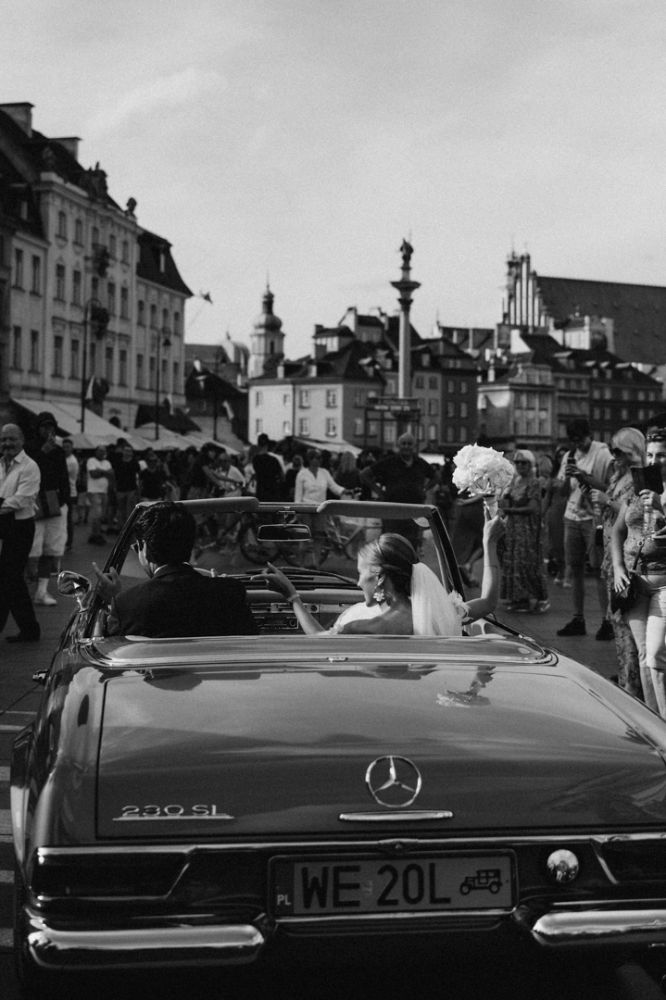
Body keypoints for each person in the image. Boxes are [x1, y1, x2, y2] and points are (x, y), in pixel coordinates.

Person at [262, 510, 504, 636]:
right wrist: (488, 543)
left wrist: (293, 597)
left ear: (379, 577)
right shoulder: (439, 612)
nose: (357, 582)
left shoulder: (361, 628)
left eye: (360, 574)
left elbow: (317, 640)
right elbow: (490, 601)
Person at [93, 501, 258, 638]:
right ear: (190, 544)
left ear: (146, 550)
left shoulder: (126, 605)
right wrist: (217, 585)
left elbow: (110, 651)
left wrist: (111, 601)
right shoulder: (229, 591)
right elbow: (251, 643)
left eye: (137, 547)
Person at [611, 429, 666, 717]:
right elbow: (617, 532)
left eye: (662, 455)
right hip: (634, 582)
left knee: (656, 654)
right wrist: (619, 567)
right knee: (645, 656)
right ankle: (652, 721)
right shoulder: (636, 487)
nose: (655, 460)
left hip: (662, 586)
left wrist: (661, 509)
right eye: (651, 455)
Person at [591, 427, 645, 697]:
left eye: (618, 451)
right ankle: (627, 677)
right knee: (618, 622)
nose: (614, 456)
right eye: (612, 451)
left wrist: (606, 500)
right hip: (612, 553)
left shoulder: (638, 477)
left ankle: (633, 685)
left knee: (626, 622)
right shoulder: (618, 475)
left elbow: (631, 514)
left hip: (626, 556)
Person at [556, 418, 613, 638]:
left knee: (600, 570)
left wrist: (583, 476)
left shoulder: (602, 453)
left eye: (580, 440)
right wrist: (567, 478)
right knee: (576, 568)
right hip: (572, 517)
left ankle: (607, 621)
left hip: (594, 517)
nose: (577, 445)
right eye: (573, 441)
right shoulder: (569, 456)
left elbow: (610, 486)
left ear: (589, 434)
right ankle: (578, 619)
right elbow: (562, 492)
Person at [0, 423, 42, 642]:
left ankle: (30, 629)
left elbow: (22, 499)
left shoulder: (29, 466)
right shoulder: (0, 464)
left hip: (20, 528)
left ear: (22, 440)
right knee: (8, 578)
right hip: (3, 525)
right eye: (3, 439)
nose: (7, 444)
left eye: (11, 439)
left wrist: (2, 503)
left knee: (11, 577)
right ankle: (29, 629)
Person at [360, 434, 436, 548]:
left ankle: (410, 565)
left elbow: (436, 477)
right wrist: (379, 491)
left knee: (411, 543)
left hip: (414, 510)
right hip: (392, 509)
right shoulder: (389, 462)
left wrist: (425, 489)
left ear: (414, 446)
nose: (406, 446)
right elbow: (364, 474)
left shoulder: (420, 463)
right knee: (391, 542)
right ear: (398, 445)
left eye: (409, 444)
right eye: (403, 443)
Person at [27, 411, 70, 606]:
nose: (48, 431)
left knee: (50, 548)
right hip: (34, 499)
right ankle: (26, 585)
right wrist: (42, 452)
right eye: (44, 426)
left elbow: (63, 476)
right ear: (37, 428)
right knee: (31, 547)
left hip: (53, 499)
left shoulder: (59, 451)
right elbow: (29, 471)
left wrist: (65, 500)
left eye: (51, 427)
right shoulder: (29, 448)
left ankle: (42, 590)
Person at [499, 450, 549, 613]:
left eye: (523, 463)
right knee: (514, 560)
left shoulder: (533, 482)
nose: (520, 465)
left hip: (527, 527)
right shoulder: (515, 481)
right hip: (514, 527)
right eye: (517, 462)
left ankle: (529, 598)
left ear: (530, 464)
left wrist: (510, 510)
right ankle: (517, 598)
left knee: (525, 560)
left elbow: (533, 508)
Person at [295, 449, 349, 568]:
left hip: (320, 508)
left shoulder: (324, 472)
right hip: (305, 508)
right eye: (317, 458)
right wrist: (297, 510)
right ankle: (301, 564)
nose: (319, 460)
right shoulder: (302, 474)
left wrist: (345, 491)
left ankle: (316, 563)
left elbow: (333, 486)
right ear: (310, 459)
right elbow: (298, 495)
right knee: (304, 538)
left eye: (320, 458)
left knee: (319, 536)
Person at [86, 444, 113, 545]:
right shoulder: (91, 461)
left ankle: (95, 534)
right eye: (100, 450)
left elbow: (112, 474)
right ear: (96, 452)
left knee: (101, 514)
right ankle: (96, 534)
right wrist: (105, 472)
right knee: (96, 514)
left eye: (104, 451)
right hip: (94, 491)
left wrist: (100, 471)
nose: (102, 453)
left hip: (104, 491)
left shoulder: (107, 462)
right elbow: (93, 474)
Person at [252, 433, 284, 501]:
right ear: (267, 444)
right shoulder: (274, 460)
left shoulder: (255, 459)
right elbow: (282, 477)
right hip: (273, 492)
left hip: (260, 491)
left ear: (258, 444)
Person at [61, 438, 79, 552]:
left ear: (72, 448)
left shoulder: (71, 461)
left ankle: (68, 542)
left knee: (68, 518)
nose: (65, 449)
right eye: (64, 446)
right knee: (65, 518)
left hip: (70, 492)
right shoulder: (64, 459)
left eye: (67, 446)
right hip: (66, 492)